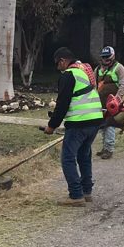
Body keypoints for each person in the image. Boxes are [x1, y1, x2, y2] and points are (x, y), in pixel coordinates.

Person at [44, 47, 104, 206]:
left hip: (79, 123)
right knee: (84, 156)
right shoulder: (84, 71)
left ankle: (76, 195)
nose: (58, 68)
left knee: (67, 158)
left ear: (63, 61)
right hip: (95, 120)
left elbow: (62, 104)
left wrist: (51, 126)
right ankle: (86, 192)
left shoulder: (68, 75)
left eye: (57, 64)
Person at [94, 46, 124, 159]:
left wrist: (116, 100)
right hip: (100, 103)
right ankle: (105, 148)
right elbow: (93, 85)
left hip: (113, 105)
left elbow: (123, 85)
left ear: (113, 56)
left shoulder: (119, 68)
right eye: (104, 57)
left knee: (110, 125)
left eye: (108, 57)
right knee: (103, 126)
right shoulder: (97, 70)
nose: (106, 59)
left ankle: (109, 149)